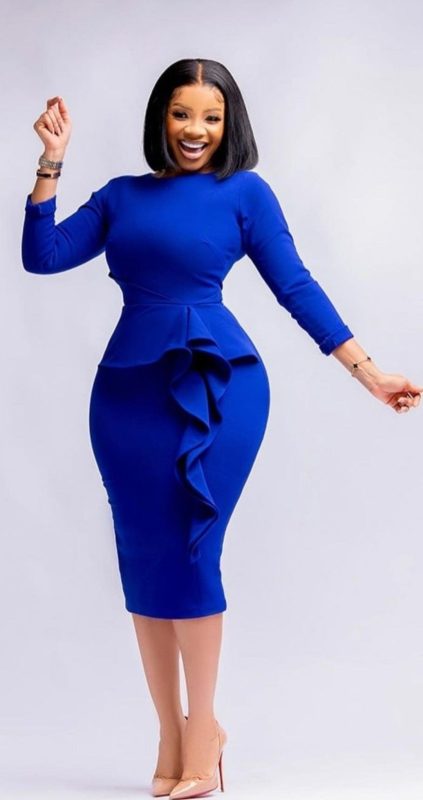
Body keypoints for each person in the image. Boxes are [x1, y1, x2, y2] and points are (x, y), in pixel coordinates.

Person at [21, 58, 423, 800]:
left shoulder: (245, 194)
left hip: (221, 386)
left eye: (211, 117)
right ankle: (170, 735)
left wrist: (368, 373)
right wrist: (51, 160)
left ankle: (203, 729)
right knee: (143, 556)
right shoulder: (120, 197)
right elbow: (40, 258)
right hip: (127, 394)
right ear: (161, 118)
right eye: (182, 114)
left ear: (229, 122)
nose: (196, 130)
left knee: (193, 549)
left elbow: (294, 285)